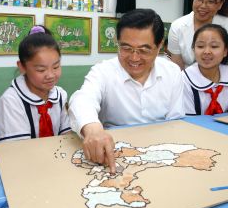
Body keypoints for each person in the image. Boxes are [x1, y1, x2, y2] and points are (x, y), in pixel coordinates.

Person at [69, 9, 185, 173]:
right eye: (126, 48)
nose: (134, 58)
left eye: (144, 50)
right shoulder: (103, 71)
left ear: (159, 46)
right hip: (115, 154)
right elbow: (81, 99)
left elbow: (175, 122)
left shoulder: (172, 72)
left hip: (160, 155)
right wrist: (93, 129)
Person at [0, 26, 71, 141]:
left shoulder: (60, 95)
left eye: (56, 67)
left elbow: (67, 136)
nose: (50, 75)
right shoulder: (10, 101)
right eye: (41, 70)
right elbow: (16, 150)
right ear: (22, 67)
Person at [183, 24, 228, 115]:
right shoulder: (184, 79)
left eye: (214, 46)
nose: (207, 51)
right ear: (193, 49)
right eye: (200, 46)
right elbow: (188, 120)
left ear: (225, 51)